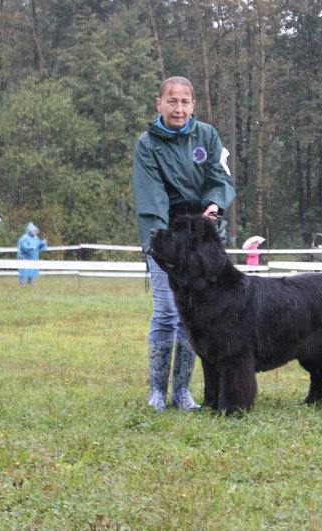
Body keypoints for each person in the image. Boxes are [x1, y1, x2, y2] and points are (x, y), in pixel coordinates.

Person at [132, 75, 236, 411]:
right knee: (166, 313)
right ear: (159, 103)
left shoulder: (207, 136)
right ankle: (157, 392)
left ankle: (183, 392)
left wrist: (214, 203)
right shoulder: (147, 145)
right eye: (172, 101)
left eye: (185, 102)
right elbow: (153, 199)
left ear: (193, 105)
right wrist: (167, 246)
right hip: (168, 239)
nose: (179, 108)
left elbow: (219, 178)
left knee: (199, 316)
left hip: (203, 241)